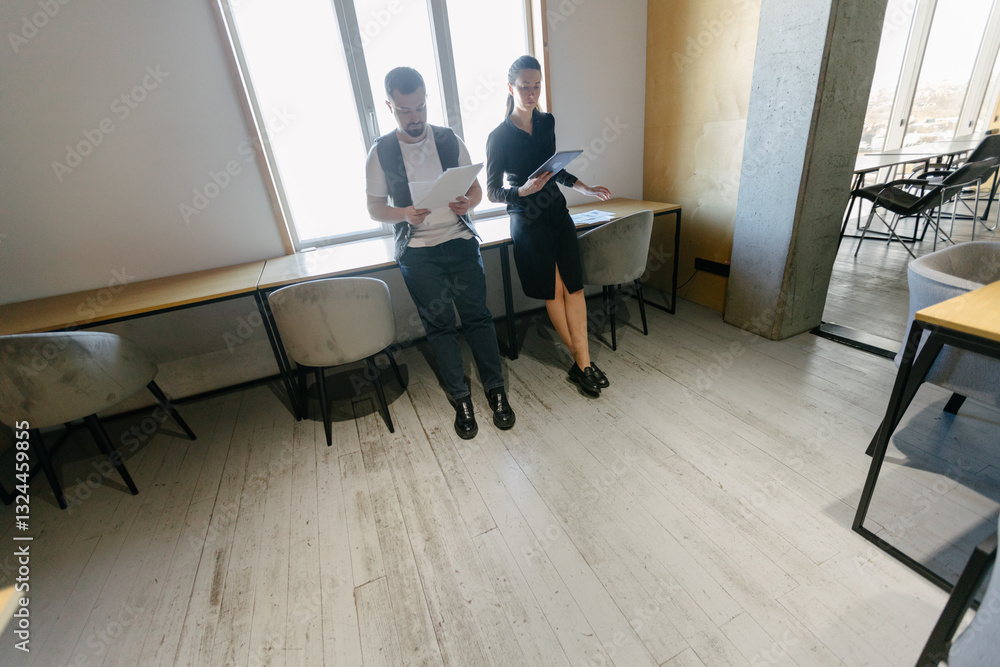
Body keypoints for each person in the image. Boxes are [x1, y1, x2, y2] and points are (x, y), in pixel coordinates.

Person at [366, 66, 514, 439]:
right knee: (440, 325)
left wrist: (469, 202)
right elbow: (374, 208)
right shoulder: (381, 152)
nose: (415, 117)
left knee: (478, 317)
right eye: (405, 111)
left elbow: (476, 191)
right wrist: (404, 214)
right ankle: (461, 397)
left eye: (420, 107)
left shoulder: (449, 140)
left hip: (460, 242)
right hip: (418, 252)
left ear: (426, 100)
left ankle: (496, 390)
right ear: (390, 106)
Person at [485, 55, 612, 397]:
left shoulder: (547, 122)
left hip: (556, 209)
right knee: (554, 289)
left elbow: (553, 169)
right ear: (510, 87)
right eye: (524, 86)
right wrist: (522, 191)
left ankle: (582, 363)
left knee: (574, 284)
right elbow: (493, 191)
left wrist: (585, 187)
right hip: (526, 216)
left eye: (537, 86)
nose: (531, 93)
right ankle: (583, 363)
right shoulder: (498, 136)